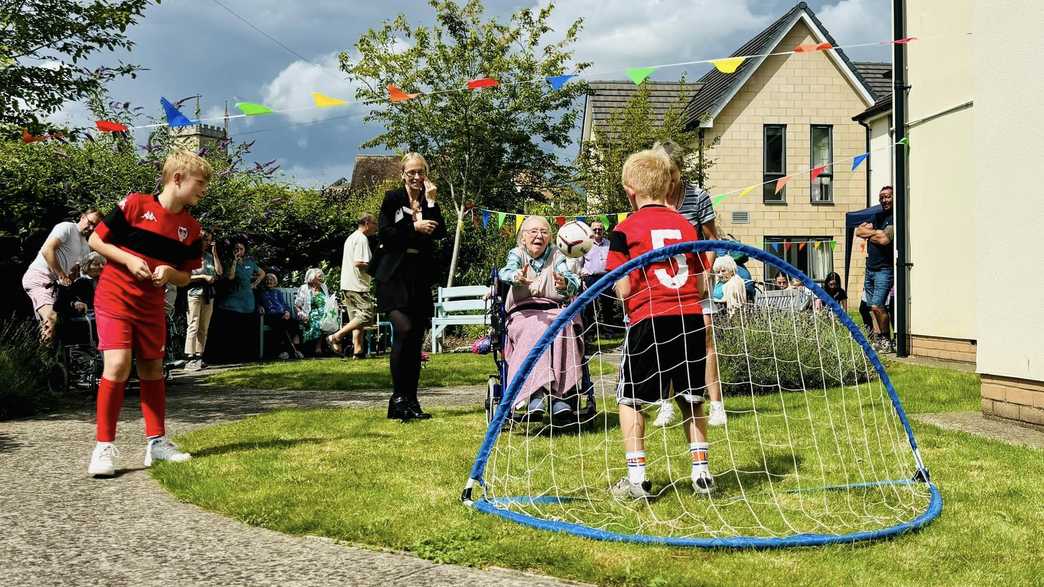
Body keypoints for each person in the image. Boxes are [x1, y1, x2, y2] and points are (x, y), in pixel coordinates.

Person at [85, 150, 210, 477]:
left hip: (151, 306)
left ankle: (156, 444)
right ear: (177, 178)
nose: (205, 189)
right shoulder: (136, 205)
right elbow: (97, 242)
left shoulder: (192, 229)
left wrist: (171, 274)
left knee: (153, 369)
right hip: (115, 298)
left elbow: (186, 276)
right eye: (201, 183)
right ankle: (103, 448)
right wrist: (127, 260)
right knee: (118, 365)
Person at [606, 148, 713, 500]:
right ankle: (702, 474)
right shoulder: (685, 224)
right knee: (691, 398)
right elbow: (699, 279)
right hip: (689, 318)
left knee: (631, 398)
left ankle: (637, 477)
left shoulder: (624, 229)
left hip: (648, 319)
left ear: (629, 191)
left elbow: (622, 288)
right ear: (668, 188)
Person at [656, 141, 726, 427]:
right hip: (663, 279)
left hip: (694, 277)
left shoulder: (698, 197)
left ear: (679, 170)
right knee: (665, 340)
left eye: (670, 172)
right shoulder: (652, 197)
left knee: (705, 338)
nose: (667, 179)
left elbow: (711, 240)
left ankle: (716, 405)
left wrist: (705, 274)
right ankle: (666, 403)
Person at [374, 153, 447, 421]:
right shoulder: (393, 198)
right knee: (402, 330)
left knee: (415, 338)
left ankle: (411, 401)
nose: (417, 177)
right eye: (412, 172)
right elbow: (386, 234)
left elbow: (440, 232)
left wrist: (431, 203)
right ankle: (398, 396)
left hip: (418, 276)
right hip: (393, 276)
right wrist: (414, 226)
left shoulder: (429, 198)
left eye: (421, 172)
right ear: (403, 173)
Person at [498, 215, 583, 423]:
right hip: (523, 313)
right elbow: (505, 271)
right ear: (523, 238)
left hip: (553, 310)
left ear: (550, 237)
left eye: (544, 232)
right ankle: (535, 394)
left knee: (562, 326)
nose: (539, 236)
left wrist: (564, 283)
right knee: (536, 328)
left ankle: (557, 396)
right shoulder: (517, 254)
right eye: (533, 231)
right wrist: (516, 276)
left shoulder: (557, 256)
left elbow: (571, 280)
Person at [21, 207, 103, 341]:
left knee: (67, 320)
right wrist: (61, 275)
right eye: (90, 222)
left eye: (95, 226)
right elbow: (47, 250)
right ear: (82, 217)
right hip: (40, 278)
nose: (91, 227)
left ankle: (56, 356)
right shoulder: (67, 227)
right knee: (51, 318)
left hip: (57, 287)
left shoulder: (86, 247)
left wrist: (75, 277)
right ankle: (44, 359)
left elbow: (74, 275)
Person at [328, 213, 378, 359]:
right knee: (367, 314)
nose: (376, 227)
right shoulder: (361, 239)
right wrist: (376, 267)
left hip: (348, 284)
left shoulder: (351, 237)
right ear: (367, 223)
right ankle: (336, 337)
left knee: (356, 320)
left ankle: (358, 351)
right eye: (375, 223)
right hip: (357, 285)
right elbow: (359, 263)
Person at [211, 239, 265, 363]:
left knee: (245, 329)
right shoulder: (229, 262)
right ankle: (231, 357)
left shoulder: (250, 262)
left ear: (244, 250)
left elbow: (262, 273)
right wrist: (235, 261)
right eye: (236, 248)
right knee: (232, 329)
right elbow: (230, 276)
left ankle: (246, 356)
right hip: (232, 301)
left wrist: (255, 283)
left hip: (247, 299)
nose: (238, 251)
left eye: (241, 249)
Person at [855, 186, 894, 352]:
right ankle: (880, 339)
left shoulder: (895, 217)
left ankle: (887, 340)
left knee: (878, 305)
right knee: (871, 306)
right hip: (870, 268)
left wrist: (870, 232)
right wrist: (875, 233)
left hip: (884, 269)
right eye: (881, 197)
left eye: (887, 197)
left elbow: (885, 239)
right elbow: (858, 231)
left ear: (894, 197)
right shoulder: (877, 216)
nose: (884, 200)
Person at [183, 229, 222, 371]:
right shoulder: (190, 255)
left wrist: (215, 254)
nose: (206, 242)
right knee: (193, 324)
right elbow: (183, 277)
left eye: (209, 240)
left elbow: (219, 272)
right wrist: (203, 277)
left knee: (204, 327)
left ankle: (199, 357)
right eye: (205, 239)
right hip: (194, 292)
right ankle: (189, 358)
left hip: (209, 294)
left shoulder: (209, 256)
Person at [578, 220, 617, 334]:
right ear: (591, 230)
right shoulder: (586, 244)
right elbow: (579, 264)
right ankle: (590, 332)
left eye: (600, 229)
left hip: (606, 278)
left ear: (603, 230)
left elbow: (614, 261)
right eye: (595, 229)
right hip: (590, 279)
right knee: (589, 305)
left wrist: (615, 279)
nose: (597, 231)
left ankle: (608, 330)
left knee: (608, 305)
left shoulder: (609, 244)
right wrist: (582, 280)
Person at [259, 273, 299, 359]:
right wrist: (260, 307)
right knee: (281, 324)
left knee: (294, 323)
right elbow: (258, 303)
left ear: (275, 282)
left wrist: (287, 312)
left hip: (282, 315)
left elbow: (284, 304)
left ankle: (287, 351)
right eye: (267, 280)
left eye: (271, 280)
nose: (269, 281)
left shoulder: (278, 292)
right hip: (271, 315)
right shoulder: (262, 292)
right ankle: (288, 351)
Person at [295, 268, 334, 355]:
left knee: (333, 319)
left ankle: (332, 345)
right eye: (319, 277)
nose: (322, 279)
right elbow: (297, 305)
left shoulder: (324, 287)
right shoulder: (304, 288)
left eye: (322, 277)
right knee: (319, 320)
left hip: (325, 312)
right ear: (312, 278)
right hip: (309, 313)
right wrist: (301, 313)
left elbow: (328, 301)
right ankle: (318, 347)